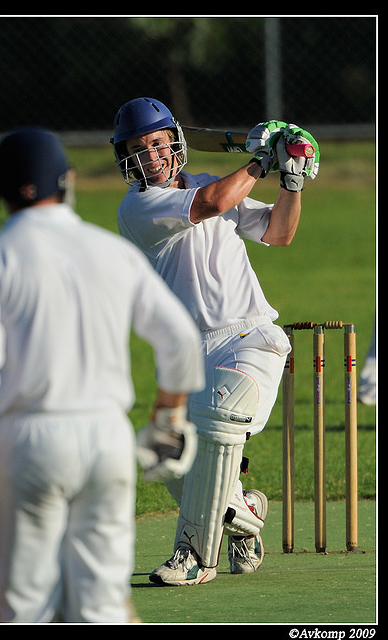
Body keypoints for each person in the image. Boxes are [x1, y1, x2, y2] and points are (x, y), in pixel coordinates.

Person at [0, 127, 205, 623]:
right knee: (102, 608)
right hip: (108, 441)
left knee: (19, 606)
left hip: (25, 442)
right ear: (68, 183)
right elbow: (180, 339)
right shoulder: (110, 250)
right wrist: (168, 419)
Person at [111, 97, 319, 586]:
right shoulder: (138, 207)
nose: (153, 156)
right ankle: (244, 514)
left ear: (175, 143)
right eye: (139, 149)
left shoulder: (209, 183)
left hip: (250, 337)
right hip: (191, 353)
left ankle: (192, 557)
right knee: (168, 461)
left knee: (221, 422)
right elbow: (211, 206)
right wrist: (260, 161)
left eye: (159, 143)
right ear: (126, 159)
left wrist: (291, 182)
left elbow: (279, 232)